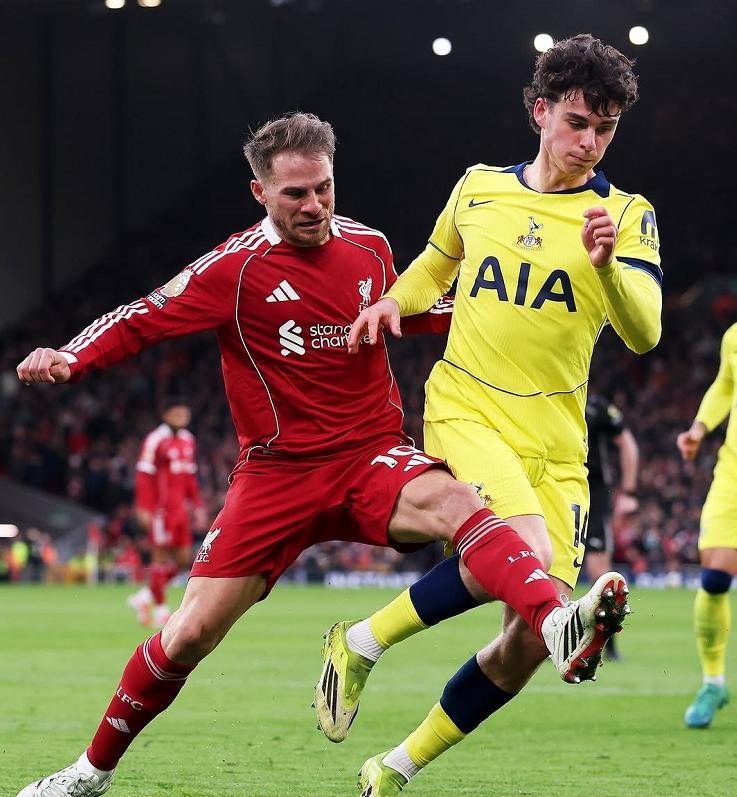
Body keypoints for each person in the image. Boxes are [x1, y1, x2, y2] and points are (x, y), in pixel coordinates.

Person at [13, 112, 620, 797]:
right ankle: (89, 772)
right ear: (260, 192)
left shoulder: (369, 247)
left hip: (371, 456)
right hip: (277, 474)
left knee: (459, 502)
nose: (314, 205)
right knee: (188, 634)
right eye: (295, 193)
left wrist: (511, 315)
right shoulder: (234, 269)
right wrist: (72, 357)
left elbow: (413, 308)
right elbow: (143, 317)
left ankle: (554, 621)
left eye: (324, 188)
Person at [316, 34, 660, 795]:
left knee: (528, 643)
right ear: (540, 112)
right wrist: (391, 302)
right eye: (576, 122)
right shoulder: (478, 188)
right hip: (469, 405)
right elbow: (434, 266)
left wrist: (607, 268)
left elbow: (644, 332)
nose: (589, 142)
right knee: (523, 551)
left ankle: (393, 765)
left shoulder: (625, 214)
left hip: (558, 443)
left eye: (604, 129)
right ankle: (365, 643)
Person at [677, 322, 737, 728]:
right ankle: (713, 682)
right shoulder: (734, 336)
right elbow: (725, 385)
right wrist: (699, 428)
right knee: (714, 578)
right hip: (732, 472)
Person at [127, 399, 206, 628]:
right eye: (177, 413)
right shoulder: (155, 440)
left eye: (185, 413)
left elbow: (190, 477)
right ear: (166, 415)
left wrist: (197, 506)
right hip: (160, 511)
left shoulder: (188, 440)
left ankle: (144, 597)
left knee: (183, 560)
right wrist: (144, 507)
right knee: (160, 559)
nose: (182, 418)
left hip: (180, 510)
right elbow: (144, 475)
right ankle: (161, 610)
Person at [584, 393, 639, 660]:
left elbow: (627, 443)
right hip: (558, 491)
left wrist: (628, 491)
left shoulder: (597, 408)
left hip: (594, 497)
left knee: (600, 574)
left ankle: (608, 645)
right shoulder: (547, 398)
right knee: (552, 569)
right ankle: (549, 642)